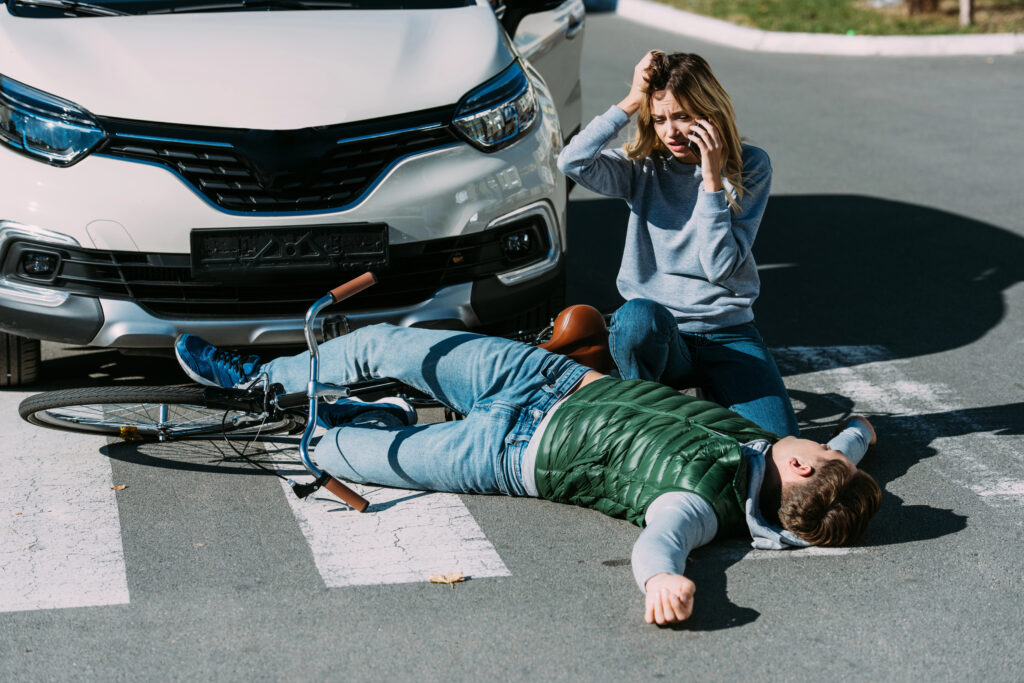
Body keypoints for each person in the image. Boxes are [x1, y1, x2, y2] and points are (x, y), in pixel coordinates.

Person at [175, 324, 882, 626]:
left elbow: (658, 545)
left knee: (327, 449)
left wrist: (663, 580)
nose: (824, 443)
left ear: (797, 466)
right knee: (377, 344)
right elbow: (843, 455)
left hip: (502, 453)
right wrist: (860, 435)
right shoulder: (776, 454)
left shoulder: (694, 505)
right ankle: (260, 378)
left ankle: (372, 416)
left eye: (825, 451)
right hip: (544, 375)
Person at [557, 51, 799, 438]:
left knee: (779, 445)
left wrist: (712, 181)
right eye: (659, 118)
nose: (670, 132)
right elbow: (572, 162)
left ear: (710, 111)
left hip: (729, 334)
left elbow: (719, 266)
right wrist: (633, 99)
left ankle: (713, 393)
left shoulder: (750, 165)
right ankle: (646, 413)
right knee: (637, 318)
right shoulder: (643, 166)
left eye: (683, 116)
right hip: (661, 338)